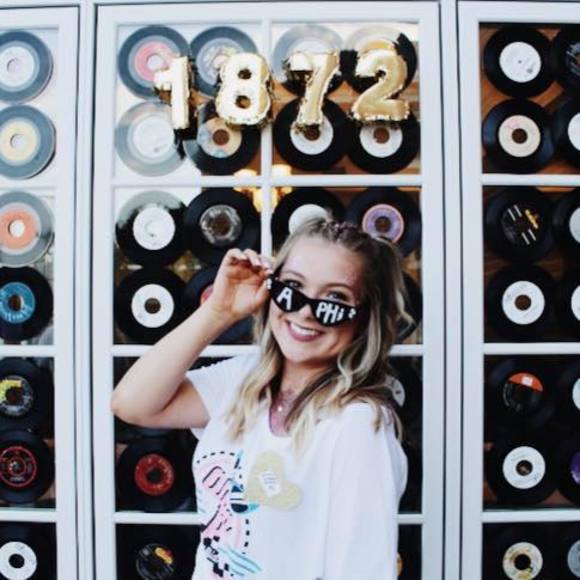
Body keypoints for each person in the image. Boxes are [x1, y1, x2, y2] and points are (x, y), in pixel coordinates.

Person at [111, 216, 410, 580]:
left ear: (363, 319)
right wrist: (218, 312)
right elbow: (131, 404)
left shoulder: (356, 424)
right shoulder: (244, 379)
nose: (304, 310)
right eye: (292, 287)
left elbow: (361, 571)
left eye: (335, 299)